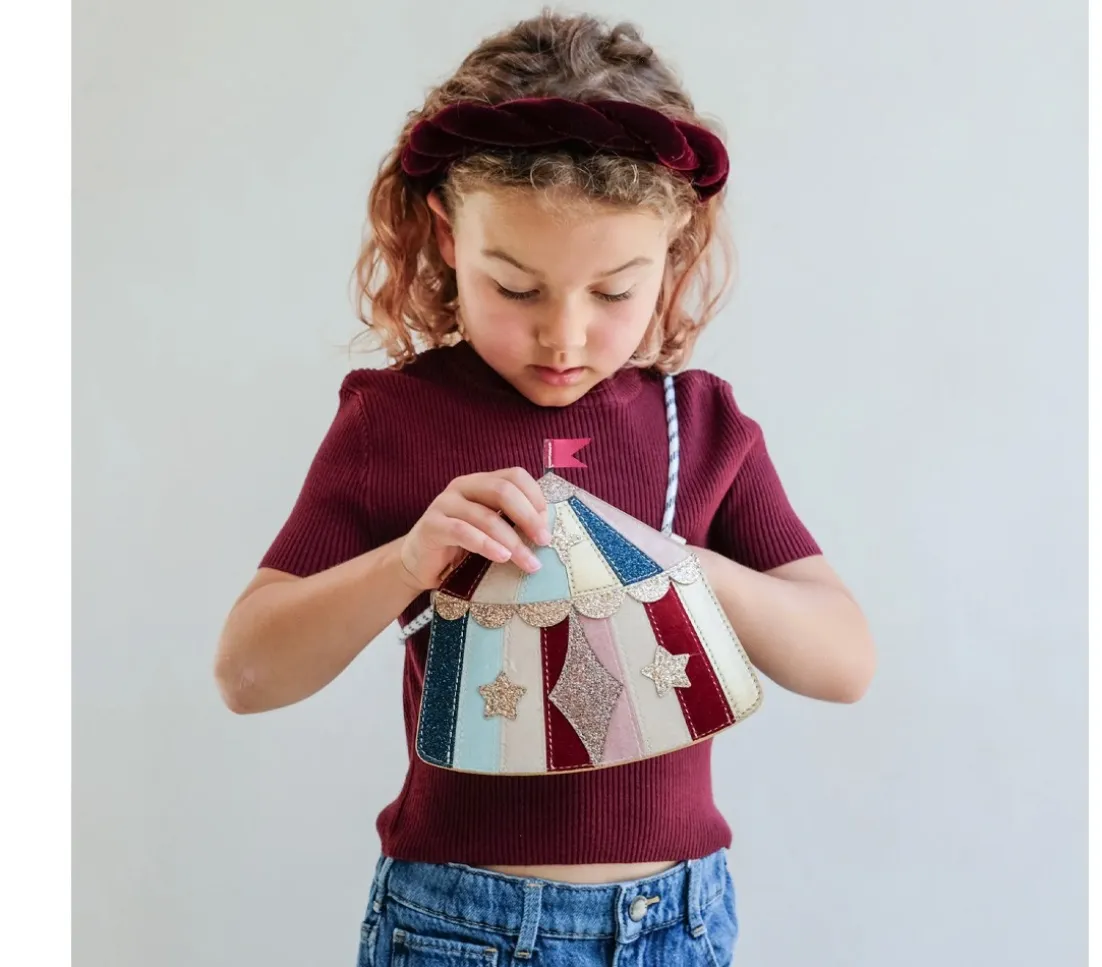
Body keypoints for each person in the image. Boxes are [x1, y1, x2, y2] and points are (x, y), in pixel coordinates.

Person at [214, 11, 875, 965]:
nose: (563, 337)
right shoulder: (394, 421)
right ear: (446, 236)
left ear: (675, 254)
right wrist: (406, 562)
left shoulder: (702, 424)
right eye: (516, 289)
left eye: (613, 292)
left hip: (674, 922)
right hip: (451, 921)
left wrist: (676, 565)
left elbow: (844, 663)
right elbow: (247, 672)